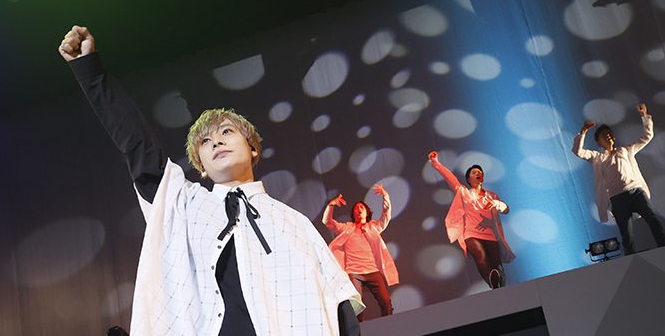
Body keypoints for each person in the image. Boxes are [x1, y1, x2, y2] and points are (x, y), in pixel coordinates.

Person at [58, 25, 363, 336]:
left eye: (226, 132)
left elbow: (338, 304)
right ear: (200, 165)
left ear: (252, 147)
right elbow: (136, 142)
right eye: (205, 141)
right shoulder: (181, 204)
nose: (216, 141)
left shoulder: (294, 223)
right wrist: (90, 71)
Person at [572, 103, 665, 255]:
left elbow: (647, 137)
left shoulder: (626, 150)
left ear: (613, 137)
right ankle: (631, 256)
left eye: (609, 134)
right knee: (626, 233)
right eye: (604, 135)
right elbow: (578, 151)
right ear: (599, 142)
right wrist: (584, 131)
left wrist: (644, 116)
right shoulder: (598, 158)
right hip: (617, 197)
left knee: (652, 218)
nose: (608, 136)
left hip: (635, 191)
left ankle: (664, 242)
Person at [426, 151, 514, 289]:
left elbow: (506, 209)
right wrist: (436, 163)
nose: (478, 173)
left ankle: (499, 287)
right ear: (468, 179)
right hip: (471, 235)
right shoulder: (463, 192)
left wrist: (498, 204)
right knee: (480, 256)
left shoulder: (492, 196)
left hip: (491, 235)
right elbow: (450, 177)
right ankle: (492, 282)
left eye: (480, 172)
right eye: (474, 172)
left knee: (496, 265)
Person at [322, 183, 398, 321]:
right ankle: (359, 328)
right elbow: (328, 222)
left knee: (385, 301)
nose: (358, 210)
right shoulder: (347, 227)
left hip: (372, 270)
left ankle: (390, 323)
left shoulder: (373, 226)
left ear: (367, 212)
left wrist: (385, 196)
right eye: (356, 208)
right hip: (354, 272)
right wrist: (331, 205)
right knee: (356, 306)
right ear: (353, 214)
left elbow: (386, 215)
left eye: (361, 207)